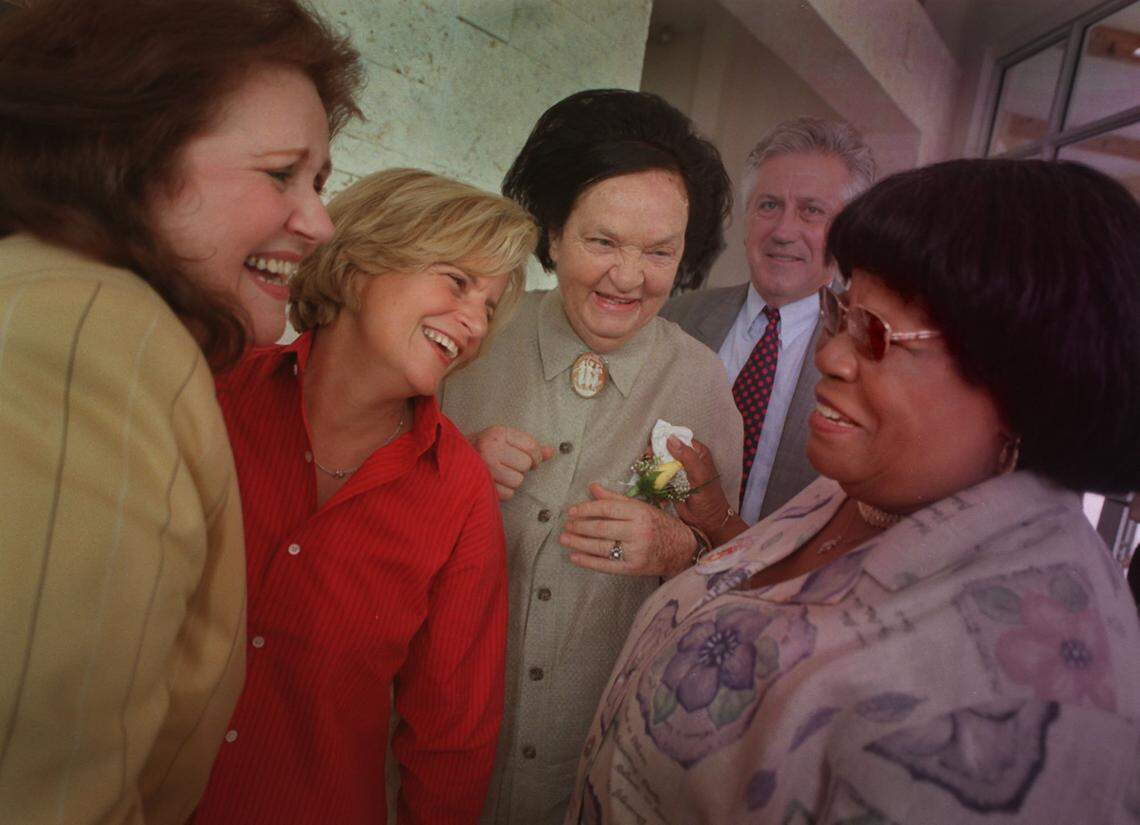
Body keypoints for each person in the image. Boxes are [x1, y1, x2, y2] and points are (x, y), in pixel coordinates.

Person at [568, 159, 1140, 824]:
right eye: (843, 312)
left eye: (876, 334)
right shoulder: (864, 486)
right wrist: (715, 522)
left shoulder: (1034, 702)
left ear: (1027, 378)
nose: (831, 356)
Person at [0, 1, 361, 823]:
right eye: (280, 174)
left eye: (320, 182)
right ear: (128, 153)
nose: (320, 222)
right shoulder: (96, 329)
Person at [193, 169, 536, 825]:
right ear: (355, 270)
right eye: (458, 282)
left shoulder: (458, 495)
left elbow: (452, 745)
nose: (473, 323)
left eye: (489, 308)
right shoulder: (215, 392)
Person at [441, 89, 742, 825]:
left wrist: (680, 545)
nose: (628, 277)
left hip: (598, 772)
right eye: (602, 242)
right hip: (440, 750)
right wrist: (449, 472)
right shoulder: (470, 342)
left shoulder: (702, 383)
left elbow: (734, 574)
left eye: (659, 251)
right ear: (552, 234)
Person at [661, 117, 876, 539]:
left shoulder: (869, 355)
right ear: (745, 220)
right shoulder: (676, 319)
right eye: (768, 205)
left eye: (811, 211)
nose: (783, 231)